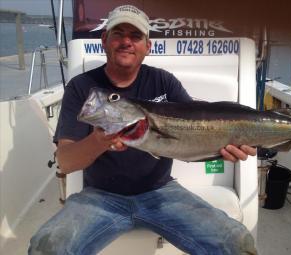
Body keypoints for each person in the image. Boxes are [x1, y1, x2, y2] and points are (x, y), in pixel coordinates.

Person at [29, 5, 257, 255]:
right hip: (100, 198)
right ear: (105, 40)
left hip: (161, 192)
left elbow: (196, 123)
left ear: (147, 47)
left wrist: (223, 144)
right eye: (118, 34)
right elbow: (65, 161)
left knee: (236, 243)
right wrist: (98, 141)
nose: (126, 42)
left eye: (135, 36)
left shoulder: (163, 81)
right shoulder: (83, 88)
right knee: (47, 247)